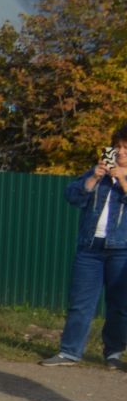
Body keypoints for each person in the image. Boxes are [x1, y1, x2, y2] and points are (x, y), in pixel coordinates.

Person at [39, 124, 127, 369]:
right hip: (90, 247)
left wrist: (122, 179)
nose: (120, 152)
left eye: (126, 148)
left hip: (122, 248)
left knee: (119, 305)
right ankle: (70, 351)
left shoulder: (121, 176)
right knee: (80, 301)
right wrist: (94, 177)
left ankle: (114, 354)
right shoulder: (99, 171)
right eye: (117, 147)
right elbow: (73, 196)